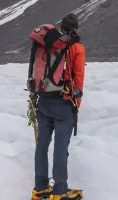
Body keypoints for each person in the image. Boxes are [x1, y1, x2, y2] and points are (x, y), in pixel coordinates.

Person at [32, 13, 86, 200]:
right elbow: (78, 77)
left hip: (44, 100)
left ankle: (40, 188)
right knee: (61, 146)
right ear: (76, 28)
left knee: (42, 145)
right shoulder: (76, 47)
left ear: (61, 27)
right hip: (63, 102)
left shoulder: (46, 44)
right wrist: (75, 104)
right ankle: (60, 189)